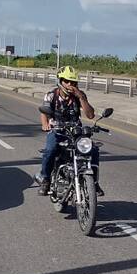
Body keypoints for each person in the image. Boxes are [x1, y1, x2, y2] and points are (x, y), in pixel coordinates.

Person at [36, 65, 95, 195]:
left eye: (73, 82)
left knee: (93, 149)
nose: (70, 84)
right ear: (60, 81)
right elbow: (44, 111)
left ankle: (94, 182)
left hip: (75, 131)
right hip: (57, 130)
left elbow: (90, 115)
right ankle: (45, 179)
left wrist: (81, 97)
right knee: (50, 150)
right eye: (67, 81)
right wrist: (45, 124)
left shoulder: (79, 96)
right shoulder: (51, 95)